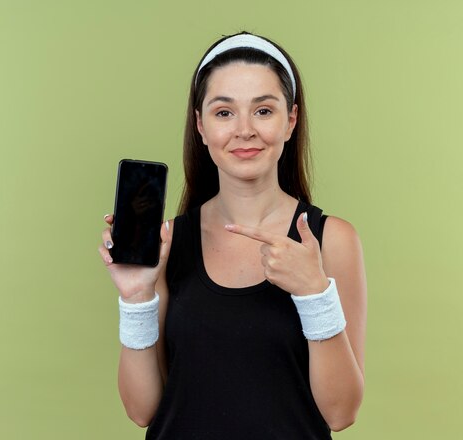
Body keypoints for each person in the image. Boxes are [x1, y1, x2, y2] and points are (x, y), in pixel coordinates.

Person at [99, 31, 367, 439]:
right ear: (200, 125)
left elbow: (340, 413)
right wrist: (136, 298)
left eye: (263, 110)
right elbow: (141, 410)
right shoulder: (168, 243)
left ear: (290, 120)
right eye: (224, 113)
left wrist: (315, 293)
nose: (244, 130)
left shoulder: (331, 240)